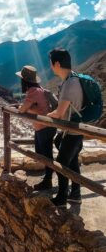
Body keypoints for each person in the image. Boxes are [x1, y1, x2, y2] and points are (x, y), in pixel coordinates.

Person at [47, 48, 83, 207]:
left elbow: (60, 113)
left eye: (51, 64)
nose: (50, 67)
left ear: (57, 64)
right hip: (75, 129)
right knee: (72, 160)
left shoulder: (69, 84)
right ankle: (75, 193)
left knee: (61, 163)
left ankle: (62, 198)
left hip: (73, 131)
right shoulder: (73, 79)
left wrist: (48, 115)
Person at [16, 65, 56, 190]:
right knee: (42, 154)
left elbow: (23, 109)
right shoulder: (39, 90)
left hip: (44, 128)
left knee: (46, 156)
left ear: (24, 80)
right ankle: (48, 178)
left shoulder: (33, 92)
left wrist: (20, 108)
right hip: (45, 127)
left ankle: (48, 181)